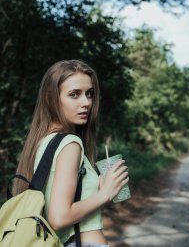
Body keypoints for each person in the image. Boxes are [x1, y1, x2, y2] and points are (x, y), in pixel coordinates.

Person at [13, 60, 129, 247]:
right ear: (52, 99)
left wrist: (97, 187)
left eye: (89, 94)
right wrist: (106, 193)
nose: (86, 103)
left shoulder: (44, 141)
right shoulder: (70, 144)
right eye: (74, 94)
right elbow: (59, 217)